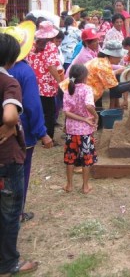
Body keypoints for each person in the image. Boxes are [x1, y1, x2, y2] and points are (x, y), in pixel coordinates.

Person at [6, 22, 53, 224]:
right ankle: (16, 212)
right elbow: (33, 106)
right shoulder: (25, 72)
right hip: (20, 131)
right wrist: (42, 132)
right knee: (21, 172)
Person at [0, 33, 39, 276]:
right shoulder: (9, 82)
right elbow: (11, 116)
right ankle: (8, 263)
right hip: (6, 156)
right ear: (13, 59)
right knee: (10, 211)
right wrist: (10, 125)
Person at [63, 65, 98, 194]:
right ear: (84, 76)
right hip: (85, 131)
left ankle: (69, 185)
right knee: (86, 158)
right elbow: (89, 105)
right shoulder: (87, 89)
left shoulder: (68, 90)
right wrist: (94, 116)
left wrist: (81, 119)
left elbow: (66, 112)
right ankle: (85, 186)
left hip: (71, 130)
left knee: (70, 157)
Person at [27, 21, 62, 142]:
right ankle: (48, 138)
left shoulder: (32, 45)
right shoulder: (51, 46)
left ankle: (37, 134)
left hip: (33, 83)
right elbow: (51, 66)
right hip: (47, 85)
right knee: (49, 113)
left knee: (37, 110)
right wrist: (60, 81)